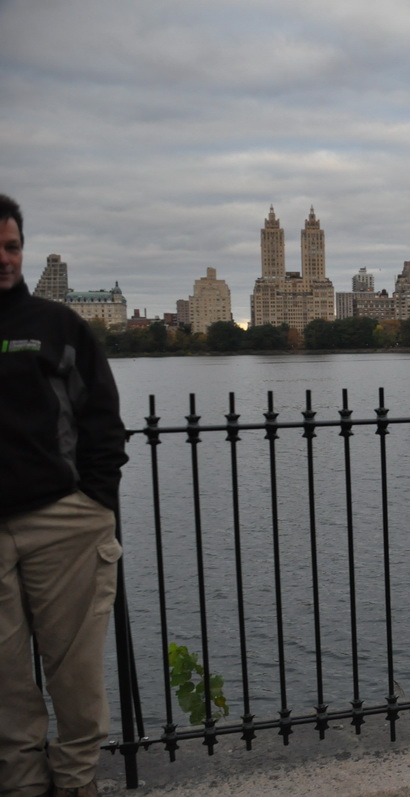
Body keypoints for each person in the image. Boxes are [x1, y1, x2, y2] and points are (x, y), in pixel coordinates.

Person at [0, 194, 127, 797]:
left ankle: (77, 784)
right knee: (3, 682)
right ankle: (21, 785)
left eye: (11, 247)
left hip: (62, 521)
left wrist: (95, 503)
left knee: (75, 676)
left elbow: (102, 418)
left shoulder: (58, 325)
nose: (4, 258)